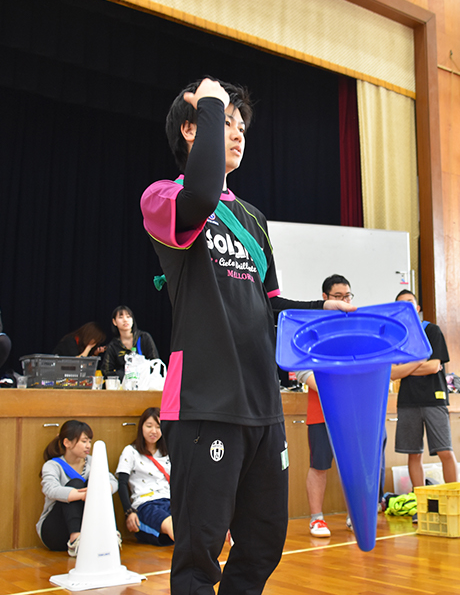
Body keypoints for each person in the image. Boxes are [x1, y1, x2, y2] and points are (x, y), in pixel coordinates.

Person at [140, 77, 355, 595]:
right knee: (200, 554)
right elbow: (200, 195)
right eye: (225, 121)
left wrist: (321, 310)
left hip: (263, 405)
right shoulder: (163, 197)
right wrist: (210, 99)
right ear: (192, 129)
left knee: (263, 544)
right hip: (204, 402)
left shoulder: (254, 220)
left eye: (241, 125)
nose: (238, 133)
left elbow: (270, 304)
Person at [391, 289, 458, 521]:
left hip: (434, 398)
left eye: (410, 302)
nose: (406, 307)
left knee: (445, 451)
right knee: (413, 454)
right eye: (401, 304)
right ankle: (420, 506)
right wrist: (420, 362)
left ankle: (453, 503)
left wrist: (406, 367)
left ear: (418, 308)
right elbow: (392, 373)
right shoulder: (398, 337)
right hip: (408, 401)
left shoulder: (432, 331)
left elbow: (433, 367)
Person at [301, 275, 353, 538]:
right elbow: (301, 369)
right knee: (319, 465)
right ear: (325, 298)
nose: (344, 301)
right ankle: (317, 519)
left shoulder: (354, 327)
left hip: (352, 411)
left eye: (347, 296)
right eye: (338, 297)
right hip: (320, 410)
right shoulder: (313, 328)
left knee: (352, 465)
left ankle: (355, 515)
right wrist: (330, 392)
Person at [36, 420, 118, 555]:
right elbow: (50, 489)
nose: (88, 446)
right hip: (55, 532)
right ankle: (75, 539)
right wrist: (83, 494)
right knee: (76, 484)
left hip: (88, 531)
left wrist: (100, 490)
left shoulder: (93, 461)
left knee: (98, 483)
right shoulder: (52, 465)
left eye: (90, 441)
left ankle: (107, 533)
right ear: (67, 443)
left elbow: (113, 482)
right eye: (84, 441)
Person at [116, 407, 174, 545]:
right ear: (141, 427)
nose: (154, 431)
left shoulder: (168, 452)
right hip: (146, 503)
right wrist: (129, 512)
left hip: (170, 500)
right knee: (172, 523)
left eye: (158, 427)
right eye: (149, 426)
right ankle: (192, 553)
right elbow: (122, 483)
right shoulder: (131, 451)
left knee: (190, 519)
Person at [100, 306, 159, 379]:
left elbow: (155, 362)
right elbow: (106, 371)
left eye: (128, 317)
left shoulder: (144, 337)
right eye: (121, 317)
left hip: (145, 381)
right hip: (124, 383)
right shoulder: (113, 345)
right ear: (114, 322)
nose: (125, 320)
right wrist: (123, 374)